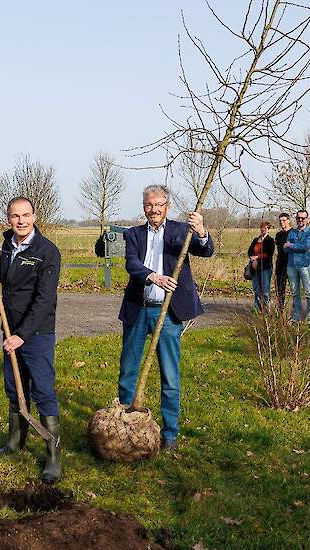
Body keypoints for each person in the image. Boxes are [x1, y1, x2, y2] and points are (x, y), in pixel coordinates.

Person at [117, 185, 214, 451]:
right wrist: (153, 277)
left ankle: (170, 433)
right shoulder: (133, 234)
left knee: (170, 375)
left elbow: (205, 250)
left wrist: (202, 231)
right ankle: (124, 424)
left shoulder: (181, 231)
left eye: (159, 204)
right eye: (149, 205)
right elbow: (131, 264)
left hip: (168, 312)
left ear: (167, 207)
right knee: (128, 370)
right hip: (139, 308)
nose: (154, 209)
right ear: (144, 207)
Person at [0, 196, 62, 484]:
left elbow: (44, 300)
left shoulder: (47, 251)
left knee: (42, 391)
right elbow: (13, 277)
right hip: (10, 330)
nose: (21, 221)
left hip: (36, 333)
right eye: (16, 216)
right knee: (14, 388)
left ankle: (53, 457)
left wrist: (21, 336)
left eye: (26, 215)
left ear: (34, 216)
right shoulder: (8, 245)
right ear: (9, 219)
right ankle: (15, 441)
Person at [284, 209, 310, 323]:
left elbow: (306, 247)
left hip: (305, 266)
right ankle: (296, 317)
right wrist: (296, 246)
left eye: (302, 218)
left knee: (308, 292)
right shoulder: (292, 232)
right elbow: (285, 249)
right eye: (298, 218)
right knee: (295, 293)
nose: (300, 220)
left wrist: (292, 245)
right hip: (291, 266)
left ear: (307, 219)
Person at [248, 221, 275, 311]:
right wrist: (253, 259)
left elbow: (269, 253)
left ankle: (266, 309)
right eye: (262, 228)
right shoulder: (256, 240)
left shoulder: (270, 240)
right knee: (256, 289)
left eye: (265, 228)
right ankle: (257, 308)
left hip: (265, 267)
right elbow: (250, 251)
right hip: (254, 267)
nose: (263, 230)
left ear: (268, 229)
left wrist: (258, 257)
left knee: (265, 290)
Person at [273, 212, 292, 309]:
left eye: (284, 220)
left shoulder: (294, 233)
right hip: (280, 264)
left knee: (294, 289)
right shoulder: (278, 234)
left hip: (291, 264)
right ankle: (280, 310)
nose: (282, 222)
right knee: (280, 288)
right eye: (280, 221)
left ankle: (295, 313)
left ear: (288, 221)